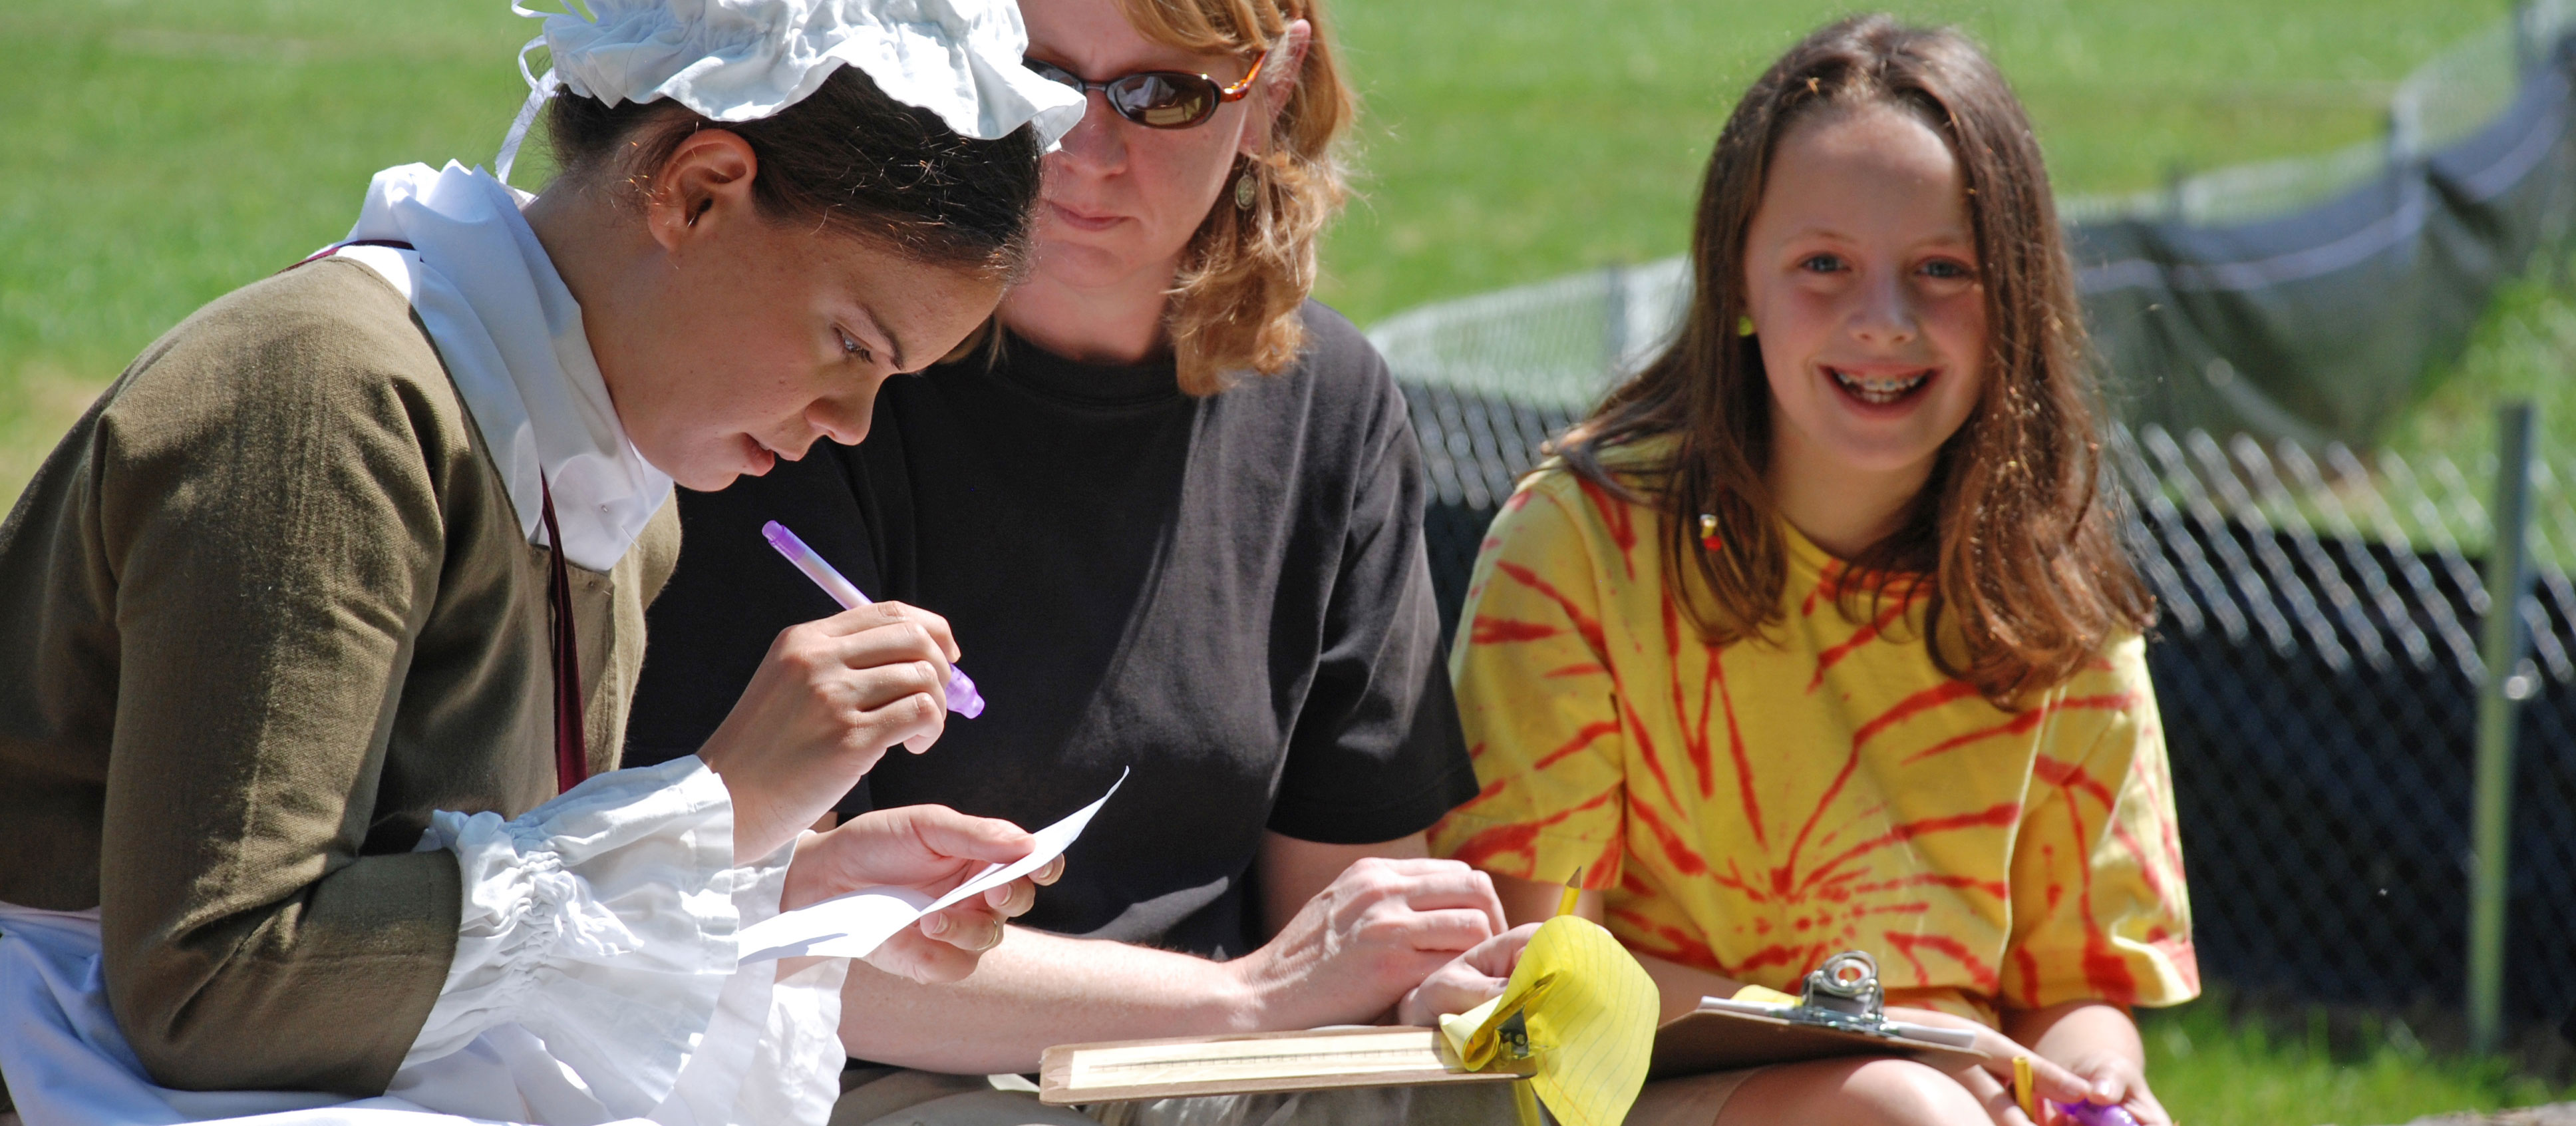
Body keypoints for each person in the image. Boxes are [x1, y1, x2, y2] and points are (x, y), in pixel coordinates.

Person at [0, 2, 1092, 1123]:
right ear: (697, 189)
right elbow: (210, 991)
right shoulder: (331, 395)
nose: (855, 421)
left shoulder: (602, 470)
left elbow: (454, 893)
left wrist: (778, 873)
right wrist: (717, 800)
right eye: (853, 343)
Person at [623, 0, 1526, 1119]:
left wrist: (1409, 976)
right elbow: (774, 934)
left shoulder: (1328, 409)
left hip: (1237, 1070)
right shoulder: (829, 376)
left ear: (1271, 93)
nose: (1084, 148)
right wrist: (1246, 999)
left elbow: (1346, 919)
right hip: (900, 1080)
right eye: (1036, 76)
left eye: (1162, 94)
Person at [1428, 16, 2197, 1126]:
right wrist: (1884, 1052)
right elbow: (1536, 982)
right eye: (1823, 264)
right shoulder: (1581, 546)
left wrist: (2096, 1081)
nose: (1883, 321)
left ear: (2018, 296)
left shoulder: (2059, 602)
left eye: (1943, 270)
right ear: (1736, 272)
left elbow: (2073, 993)